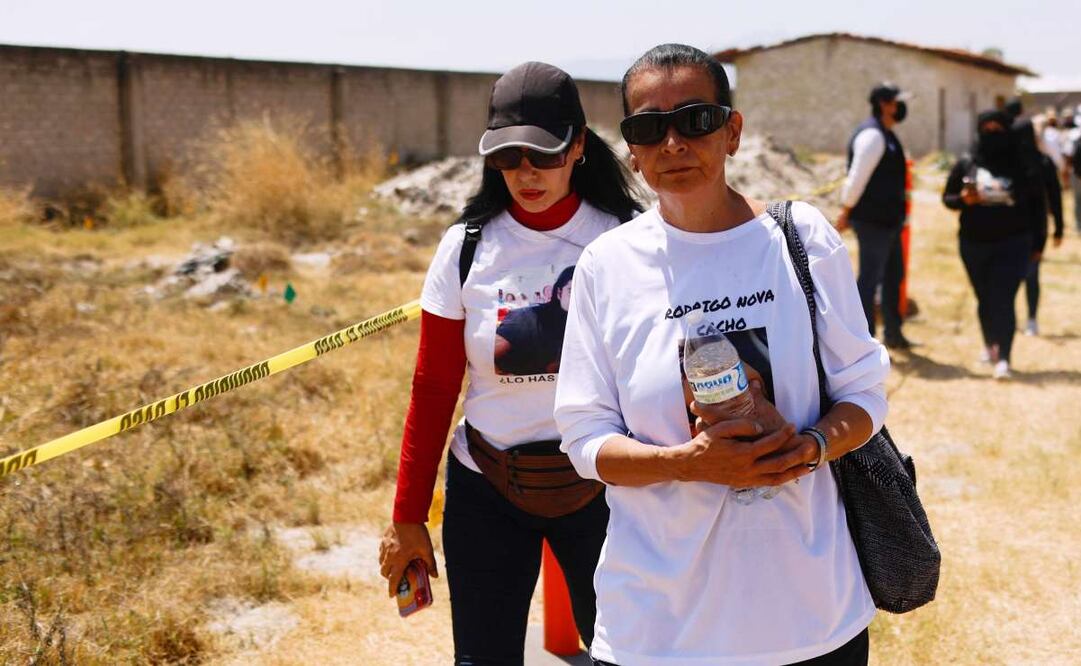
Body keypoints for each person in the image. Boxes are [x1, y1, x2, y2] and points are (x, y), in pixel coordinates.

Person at [554, 44, 889, 665]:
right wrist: (686, 464)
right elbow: (584, 440)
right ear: (631, 148)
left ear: (732, 132)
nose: (673, 143)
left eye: (696, 120)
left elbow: (864, 394)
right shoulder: (606, 266)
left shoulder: (800, 239)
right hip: (657, 630)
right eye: (649, 128)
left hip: (808, 618)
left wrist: (810, 447)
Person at [377, 61, 641, 665]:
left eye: (543, 153)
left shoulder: (628, 237)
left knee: (629, 656)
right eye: (507, 155)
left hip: (605, 493)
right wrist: (407, 516)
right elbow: (434, 386)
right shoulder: (465, 247)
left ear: (578, 146)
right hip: (487, 491)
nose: (526, 172)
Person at [942, 110, 1039, 380]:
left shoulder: (1022, 165)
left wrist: (1040, 241)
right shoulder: (967, 162)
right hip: (974, 243)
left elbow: (1036, 204)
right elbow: (948, 198)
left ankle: (1004, 358)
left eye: (998, 129)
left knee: (1004, 298)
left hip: (1013, 243)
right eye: (988, 128)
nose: (993, 134)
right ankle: (990, 344)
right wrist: (963, 200)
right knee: (984, 297)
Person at [836, 82, 912, 350]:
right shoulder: (873, 136)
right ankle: (864, 342)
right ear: (884, 104)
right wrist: (846, 210)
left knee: (893, 277)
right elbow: (856, 178)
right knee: (870, 280)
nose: (901, 107)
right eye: (897, 102)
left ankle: (894, 334)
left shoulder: (886, 134)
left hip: (889, 221)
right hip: (873, 221)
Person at [493, 265, 575, 375]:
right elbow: (487, 358)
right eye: (571, 291)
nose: (578, 296)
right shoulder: (526, 319)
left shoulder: (584, 325)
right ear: (559, 292)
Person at [1022, 153, 1064, 336]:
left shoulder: (1043, 162)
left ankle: (1031, 318)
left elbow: (1055, 195)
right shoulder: (1003, 157)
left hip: (1034, 230)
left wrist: (1059, 228)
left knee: (1031, 275)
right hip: (1005, 231)